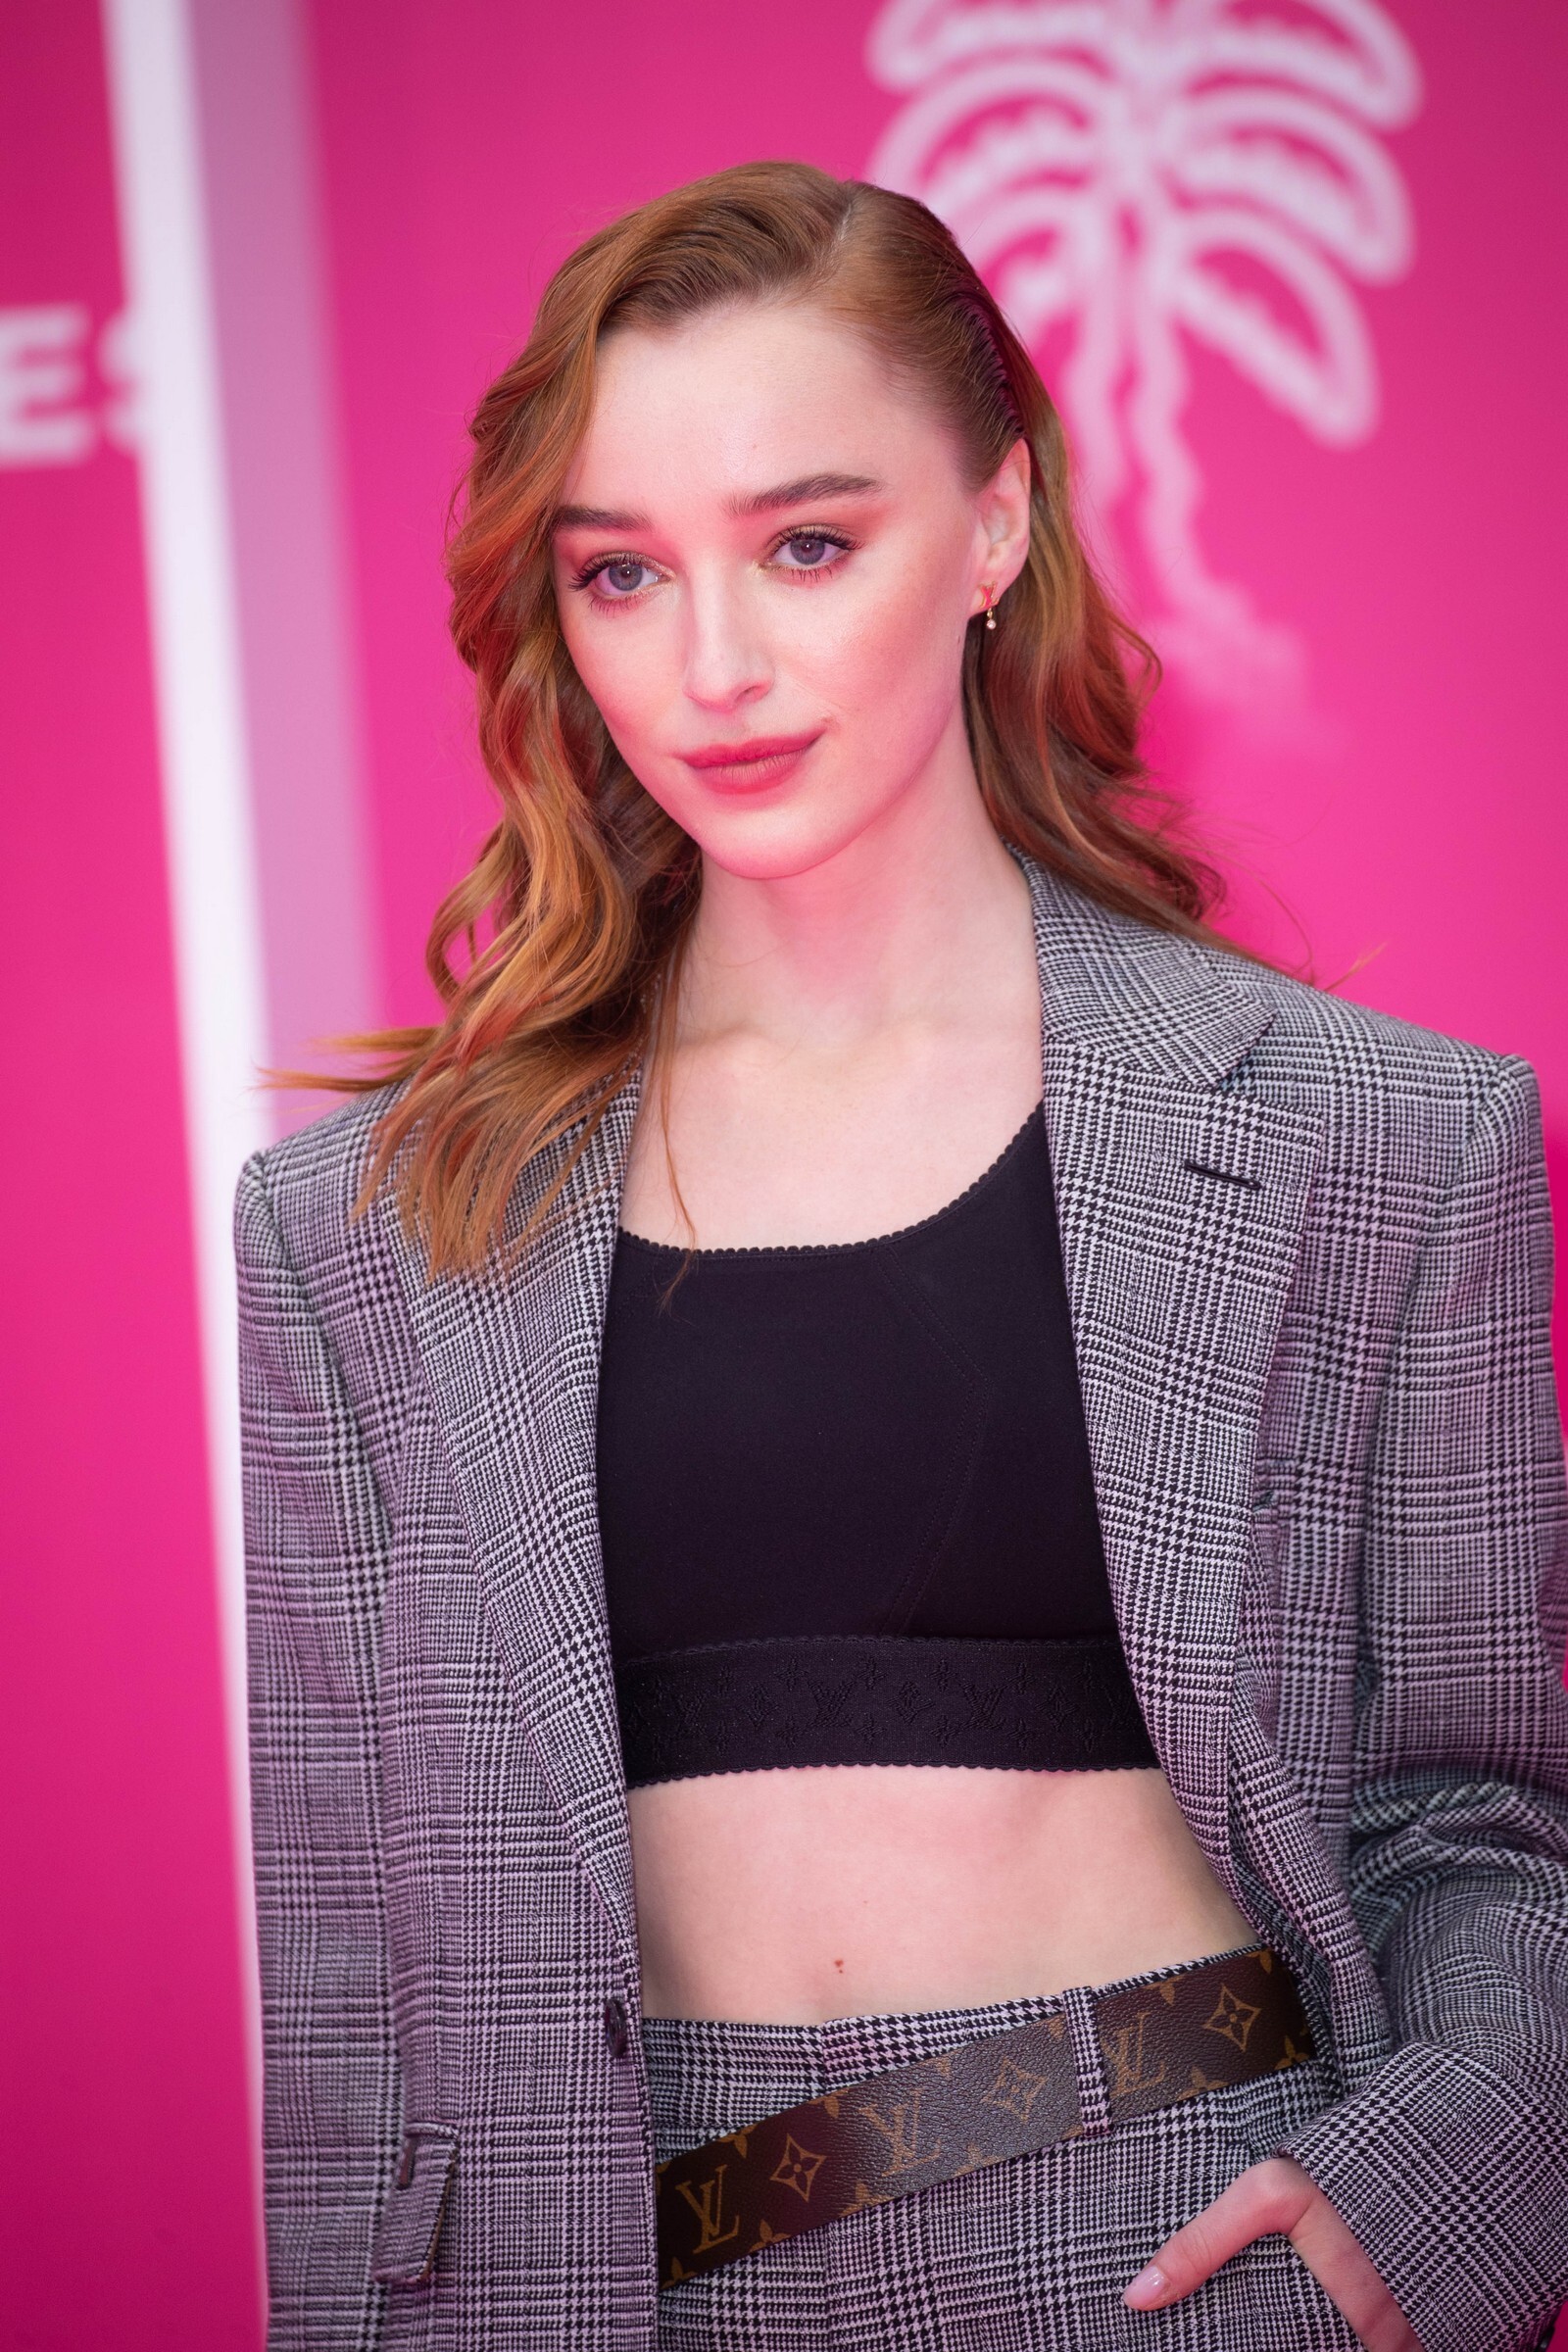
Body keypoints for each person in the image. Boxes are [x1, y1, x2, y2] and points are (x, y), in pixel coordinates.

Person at [237, 163, 1568, 2352]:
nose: (716, 665)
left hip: (1174, 2241)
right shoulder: (365, 1234)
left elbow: (1492, 1823)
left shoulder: (1379, 1141)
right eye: (621, 574)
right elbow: (352, 1985)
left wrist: (1402, 2232)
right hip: (611, 2288)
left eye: (807, 544)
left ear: (995, 523)